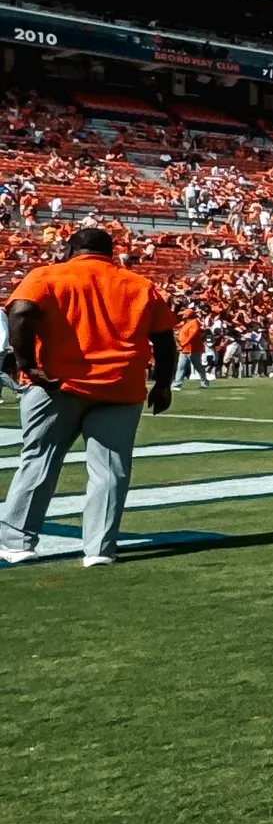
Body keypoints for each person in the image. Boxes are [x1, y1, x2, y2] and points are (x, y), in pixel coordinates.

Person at [0, 224, 179, 570]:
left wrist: (28, 365)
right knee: (110, 471)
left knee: (38, 462)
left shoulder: (47, 276)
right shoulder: (139, 285)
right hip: (119, 387)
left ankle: (17, 543)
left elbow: (19, 312)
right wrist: (163, 383)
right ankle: (99, 548)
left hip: (57, 385)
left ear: (70, 250)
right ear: (111, 254)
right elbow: (164, 338)